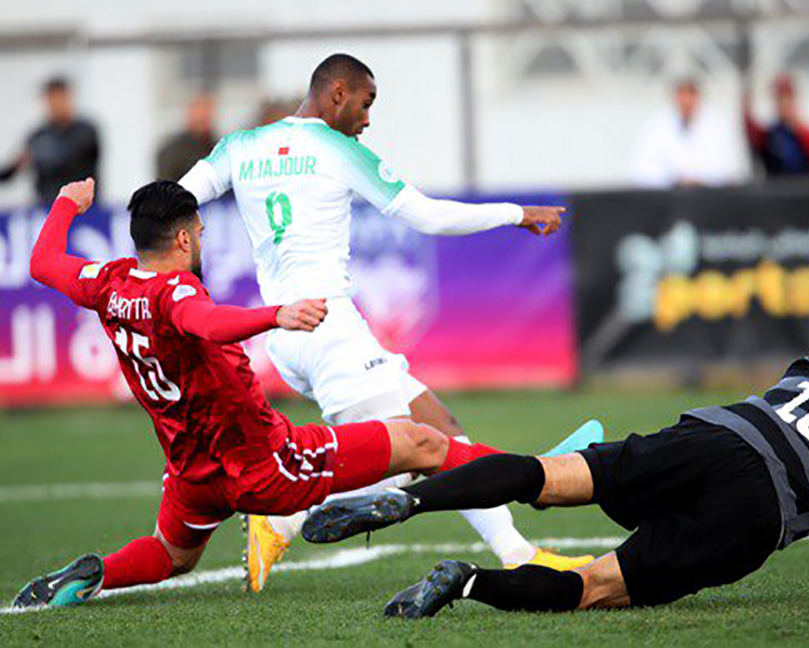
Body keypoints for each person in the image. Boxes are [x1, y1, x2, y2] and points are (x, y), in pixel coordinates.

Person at [11, 177, 540, 610]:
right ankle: (537, 475)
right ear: (183, 240)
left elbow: (42, 263)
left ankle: (96, 573)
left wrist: (64, 204)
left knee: (172, 556)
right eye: (199, 232)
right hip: (263, 462)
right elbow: (207, 322)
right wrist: (276, 315)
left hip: (191, 471)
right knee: (419, 443)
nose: (201, 242)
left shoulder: (109, 281)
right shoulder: (176, 291)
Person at [179, 52, 589, 592]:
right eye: (367, 104)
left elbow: (177, 199)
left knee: (439, 427)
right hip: (328, 327)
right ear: (338, 93)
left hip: (285, 329)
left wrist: (178, 264)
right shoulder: (338, 149)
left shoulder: (240, 147)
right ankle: (284, 515)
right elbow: (426, 215)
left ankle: (518, 553)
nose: (368, 119)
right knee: (401, 459)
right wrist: (516, 213)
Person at [302, 321, 809, 618]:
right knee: (595, 587)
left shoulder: (808, 371)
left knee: (547, 476)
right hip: (754, 509)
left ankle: (414, 501)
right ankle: (467, 583)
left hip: (714, 434)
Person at [0, 77, 100, 206]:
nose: (55, 105)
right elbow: (12, 170)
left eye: (59, 98)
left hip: (82, 208)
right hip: (47, 207)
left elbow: (70, 162)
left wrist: (38, 154)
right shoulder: (38, 135)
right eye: (51, 99)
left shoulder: (86, 131)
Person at [630, 78, 743, 188]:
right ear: (674, 97)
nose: (686, 101)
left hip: (709, 197)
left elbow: (729, 168)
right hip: (667, 198)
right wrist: (676, 180)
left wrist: (698, 180)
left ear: (699, 97)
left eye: (691, 94)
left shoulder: (718, 126)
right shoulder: (656, 126)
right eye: (681, 94)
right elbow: (643, 169)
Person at [744, 74, 809, 177]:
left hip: (804, 188)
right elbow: (752, 135)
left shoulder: (805, 133)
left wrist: (800, 130)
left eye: (788, 101)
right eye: (780, 101)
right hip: (779, 189)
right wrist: (747, 105)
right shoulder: (769, 135)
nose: (784, 106)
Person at [156, 93, 218, 181]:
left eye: (207, 109)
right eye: (198, 109)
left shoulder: (218, 148)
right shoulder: (172, 152)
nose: (202, 115)